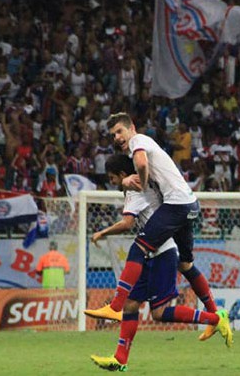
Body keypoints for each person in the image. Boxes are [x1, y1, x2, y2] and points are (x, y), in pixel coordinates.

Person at [90, 154, 231, 371]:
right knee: (132, 304)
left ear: (121, 175)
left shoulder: (135, 190)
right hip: (154, 252)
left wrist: (102, 232)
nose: (112, 183)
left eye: (112, 178)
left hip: (162, 252)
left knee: (159, 312)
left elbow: (127, 223)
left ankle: (214, 318)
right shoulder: (144, 184)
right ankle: (120, 358)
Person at [86, 113, 219, 341]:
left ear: (132, 128)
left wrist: (136, 181)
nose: (117, 137)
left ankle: (115, 306)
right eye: (113, 135)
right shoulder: (146, 144)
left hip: (176, 204)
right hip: (190, 204)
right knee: (186, 264)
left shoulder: (139, 141)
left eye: (120, 131)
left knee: (138, 249)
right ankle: (216, 316)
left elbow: (140, 163)